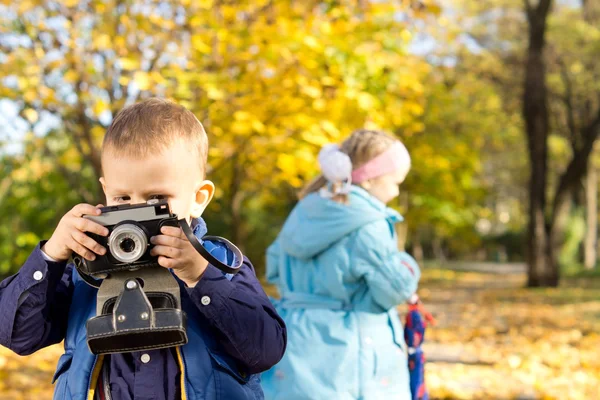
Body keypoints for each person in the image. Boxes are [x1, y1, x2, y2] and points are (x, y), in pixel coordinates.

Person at [0, 98, 287, 400]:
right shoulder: (86, 273)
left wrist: (201, 277)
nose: (136, 213)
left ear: (198, 198)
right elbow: (17, 335)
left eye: (156, 200)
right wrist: (51, 255)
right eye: (122, 198)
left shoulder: (221, 264)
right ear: (105, 191)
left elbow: (266, 350)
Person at [262, 128, 420, 400]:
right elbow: (394, 289)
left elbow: (274, 267)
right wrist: (407, 265)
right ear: (369, 180)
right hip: (350, 348)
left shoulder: (304, 211)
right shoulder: (369, 223)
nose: (396, 192)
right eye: (395, 182)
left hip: (296, 339)